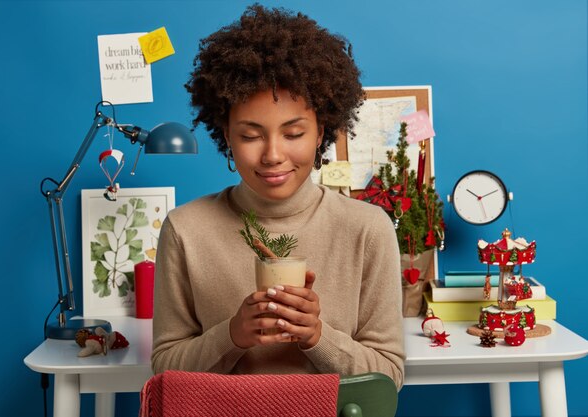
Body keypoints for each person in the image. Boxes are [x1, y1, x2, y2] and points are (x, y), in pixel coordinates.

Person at [151, 4, 405, 388]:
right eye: (250, 135)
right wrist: (232, 335)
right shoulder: (186, 229)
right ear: (226, 135)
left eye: (293, 133)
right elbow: (164, 368)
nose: (272, 155)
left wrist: (318, 337)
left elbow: (389, 376)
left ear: (321, 132)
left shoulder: (367, 229)